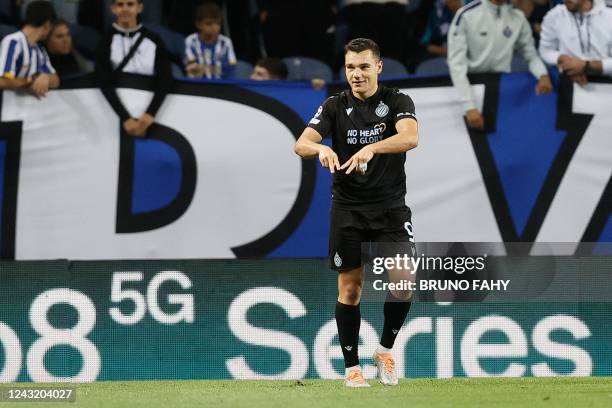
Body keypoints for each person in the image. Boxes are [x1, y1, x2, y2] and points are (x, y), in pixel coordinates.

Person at [294, 38, 419, 387]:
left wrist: (371, 148)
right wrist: (319, 148)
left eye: (364, 66)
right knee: (350, 290)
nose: (357, 74)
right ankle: (352, 369)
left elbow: (410, 138)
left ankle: (384, 351)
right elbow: (300, 143)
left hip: (391, 207)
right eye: (350, 67)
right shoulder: (335, 105)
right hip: (348, 209)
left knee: (405, 283)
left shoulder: (397, 101)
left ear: (378, 67)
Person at [448, 0, 553, 129]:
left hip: (502, 92)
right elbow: (456, 65)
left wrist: (543, 75)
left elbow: (530, 55)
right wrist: (469, 105)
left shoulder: (517, 17)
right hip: (472, 90)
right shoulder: (466, 15)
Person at [95, 0, 171, 137]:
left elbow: (165, 80)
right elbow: (103, 82)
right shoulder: (104, 42)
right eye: (120, 4)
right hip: (116, 119)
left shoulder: (155, 40)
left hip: (152, 118)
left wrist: (150, 114)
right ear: (112, 9)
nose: (125, 9)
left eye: (130, 4)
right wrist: (125, 118)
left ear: (140, 7)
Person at [539, 0, 612, 84]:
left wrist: (586, 66)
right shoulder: (554, 16)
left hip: (607, 83)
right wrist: (564, 59)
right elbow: (545, 50)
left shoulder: (609, 16)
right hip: (569, 79)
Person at [0, 0, 59, 96]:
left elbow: (56, 81)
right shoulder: (13, 42)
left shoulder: (40, 50)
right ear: (47, 25)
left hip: (32, 107)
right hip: (11, 107)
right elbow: (2, 81)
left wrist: (47, 77)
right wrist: (31, 80)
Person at [184, 2, 236, 79]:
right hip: (196, 85)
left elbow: (230, 70)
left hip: (222, 87)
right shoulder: (191, 41)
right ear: (198, 24)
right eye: (209, 23)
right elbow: (191, 70)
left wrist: (202, 69)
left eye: (217, 24)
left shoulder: (226, 43)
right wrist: (217, 69)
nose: (214, 27)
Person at [250, 56, 326, 90]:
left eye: (259, 74)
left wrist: (312, 86)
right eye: (253, 73)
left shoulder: (293, 94)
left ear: (276, 79)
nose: (252, 77)